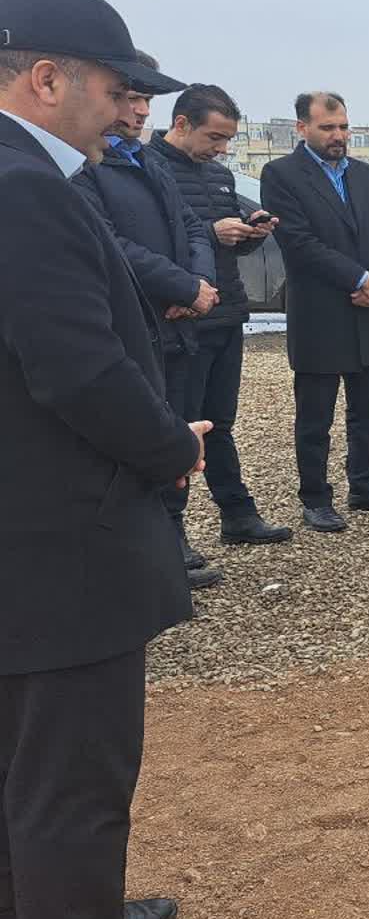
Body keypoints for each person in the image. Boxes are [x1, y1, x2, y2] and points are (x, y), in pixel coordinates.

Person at [0, 0, 234, 919]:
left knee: (22, 755)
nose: (128, 104)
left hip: (30, 529)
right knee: (73, 773)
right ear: (46, 79)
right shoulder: (24, 187)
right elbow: (78, 364)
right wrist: (169, 445)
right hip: (64, 536)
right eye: (116, 84)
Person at [74, 53, 224, 589]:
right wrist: (180, 287)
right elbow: (111, 243)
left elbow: (193, 228)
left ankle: (173, 538)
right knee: (139, 436)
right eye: (130, 97)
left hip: (177, 327)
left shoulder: (146, 161)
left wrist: (199, 287)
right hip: (136, 324)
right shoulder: (84, 168)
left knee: (178, 429)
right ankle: (147, 550)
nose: (139, 111)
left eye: (145, 101)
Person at [152, 83, 293, 550]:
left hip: (227, 313)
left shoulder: (219, 176)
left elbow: (223, 243)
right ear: (181, 125)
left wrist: (251, 234)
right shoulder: (151, 172)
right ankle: (173, 535)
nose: (221, 148)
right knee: (182, 426)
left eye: (227, 139)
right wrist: (212, 233)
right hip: (181, 319)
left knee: (221, 423)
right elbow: (159, 245)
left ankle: (237, 514)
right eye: (214, 137)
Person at [262, 91, 369, 532]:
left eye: (343, 126)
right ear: (302, 128)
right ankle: (315, 497)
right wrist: (360, 280)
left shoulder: (365, 176)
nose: (338, 135)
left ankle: (364, 485)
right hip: (322, 314)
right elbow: (300, 243)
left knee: (368, 406)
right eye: (328, 127)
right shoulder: (281, 175)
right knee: (315, 414)